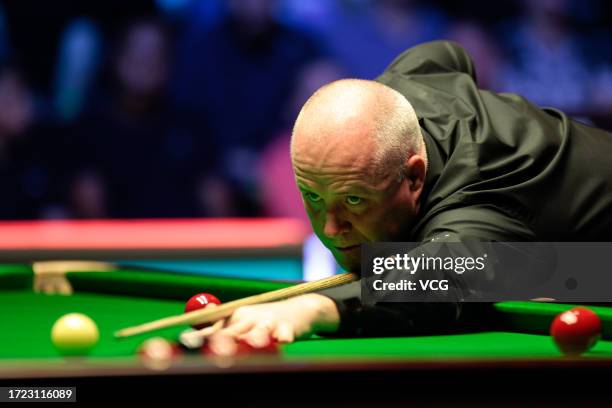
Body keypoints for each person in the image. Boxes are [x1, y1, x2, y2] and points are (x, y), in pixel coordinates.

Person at [207, 40, 612, 351]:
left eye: (353, 201)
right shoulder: (398, 93)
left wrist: (312, 308)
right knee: (517, 268)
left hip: (598, 256)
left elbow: (443, 272)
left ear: (415, 176)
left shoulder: (472, 194)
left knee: (519, 272)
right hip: (539, 244)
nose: (331, 228)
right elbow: (443, 56)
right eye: (312, 198)